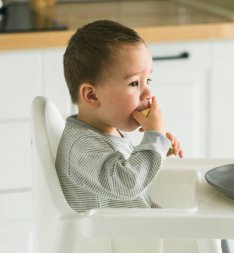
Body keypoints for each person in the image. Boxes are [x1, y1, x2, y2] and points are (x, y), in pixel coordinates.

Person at [56, 20, 184, 213]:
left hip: (135, 233)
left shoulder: (104, 131)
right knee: (213, 230)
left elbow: (129, 172)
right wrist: (155, 139)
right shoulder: (81, 147)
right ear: (92, 95)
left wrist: (158, 149)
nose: (148, 93)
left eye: (148, 80)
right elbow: (127, 183)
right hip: (120, 241)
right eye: (134, 83)